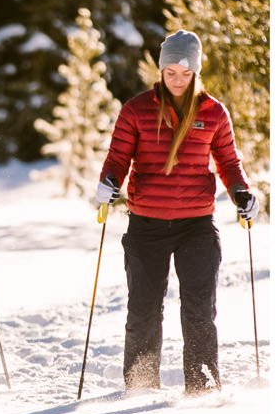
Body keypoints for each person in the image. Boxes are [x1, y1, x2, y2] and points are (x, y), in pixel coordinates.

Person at [90, 30, 254, 395]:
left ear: (195, 72)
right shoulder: (137, 109)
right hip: (147, 224)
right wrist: (109, 181)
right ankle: (140, 385)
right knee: (144, 311)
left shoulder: (213, 112)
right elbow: (118, 158)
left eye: (185, 73)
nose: (177, 80)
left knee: (198, 310)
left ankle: (203, 386)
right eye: (170, 73)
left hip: (196, 225)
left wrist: (241, 193)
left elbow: (228, 161)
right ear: (161, 72)